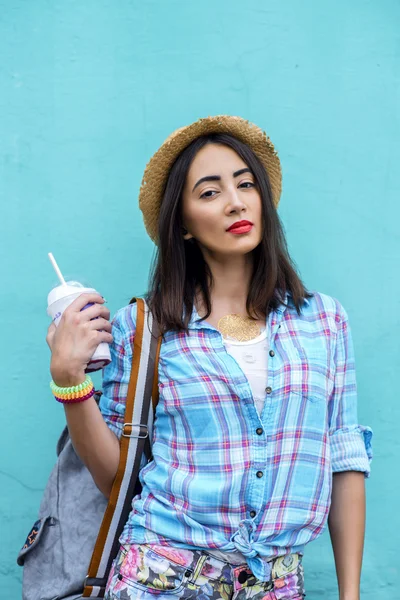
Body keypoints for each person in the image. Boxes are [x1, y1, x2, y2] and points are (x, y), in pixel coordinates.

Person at [47, 115, 373, 600]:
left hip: (276, 584)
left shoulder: (323, 320)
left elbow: (344, 461)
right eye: (209, 192)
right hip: (160, 577)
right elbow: (114, 476)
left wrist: (351, 595)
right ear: (182, 225)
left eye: (245, 185)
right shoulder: (143, 327)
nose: (236, 201)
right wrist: (69, 377)